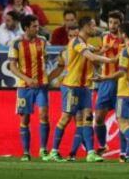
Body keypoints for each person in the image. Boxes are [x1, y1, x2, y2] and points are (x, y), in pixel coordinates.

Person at [47, 17, 116, 162]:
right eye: (93, 25)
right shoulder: (77, 42)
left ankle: (90, 153)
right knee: (65, 118)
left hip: (85, 87)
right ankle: (54, 151)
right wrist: (110, 61)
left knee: (87, 119)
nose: (95, 28)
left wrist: (105, 50)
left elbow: (96, 51)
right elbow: (91, 56)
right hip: (71, 86)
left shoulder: (86, 44)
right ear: (85, 27)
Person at [94, 21, 129, 162]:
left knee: (122, 123)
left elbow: (122, 73)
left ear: (123, 34)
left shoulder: (126, 51)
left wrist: (104, 77)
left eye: (119, 33)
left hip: (125, 93)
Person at [8, 15, 50, 162]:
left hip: (41, 85)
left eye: (37, 26)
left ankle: (43, 149)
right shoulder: (16, 43)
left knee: (44, 115)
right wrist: (27, 79)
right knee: (25, 119)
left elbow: (45, 58)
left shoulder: (43, 41)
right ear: (26, 28)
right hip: (24, 87)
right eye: (34, 26)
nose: (37, 29)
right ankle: (26, 152)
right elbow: (12, 66)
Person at [92, 11, 123, 158]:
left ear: (120, 24)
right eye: (110, 22)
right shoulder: (103, 37)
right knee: (98, 117)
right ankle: (103, 146)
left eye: (116, 23)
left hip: (120, 81)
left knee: (121, 118)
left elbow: (121, 59)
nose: (112, 25)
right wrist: (100, 52)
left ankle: (125, 151)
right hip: (105, 82)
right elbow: (98, 58)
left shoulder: (124, 39)